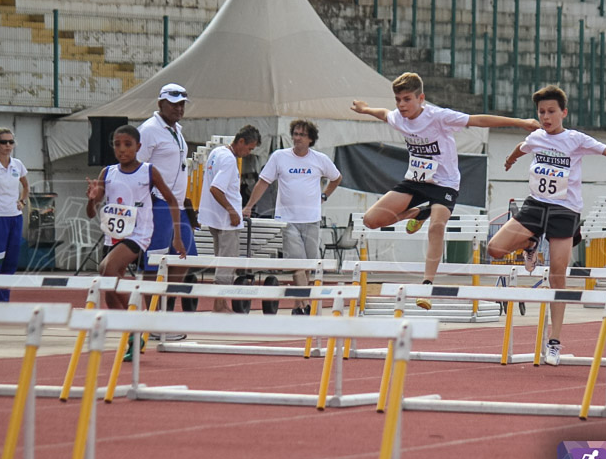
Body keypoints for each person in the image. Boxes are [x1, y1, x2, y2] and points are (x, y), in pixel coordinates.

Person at [486, 85, 606, 366]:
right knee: (494, 248)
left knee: (558, 275)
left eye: (551, 112)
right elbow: (521, 148)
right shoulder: (536, 138)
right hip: (535, 205)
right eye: (541, 112)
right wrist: (509, 159)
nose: (546, 117)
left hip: (565, 210)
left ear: (563, 113)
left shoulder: (575, 139)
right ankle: (531, 243)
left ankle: (554, 340)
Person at [351, 72, 540, 310]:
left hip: (444, 184)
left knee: (437, 226)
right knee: (370, 220)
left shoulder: (438, 117)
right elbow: (384, 114)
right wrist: (365, 109)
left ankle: (427, 285)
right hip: (415, 181)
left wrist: (521, 123)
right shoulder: (399, 117)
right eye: (398, 99)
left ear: (421, 98)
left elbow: (477, 120)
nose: (401, 105)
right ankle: (418, 213)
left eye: (407, 99)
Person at [86, 125, 185, 358]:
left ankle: (137, 319)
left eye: (127, 145)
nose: (122, 150)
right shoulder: (107, 173)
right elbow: (91, 212)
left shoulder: (149, 172)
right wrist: (91, 200)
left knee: (106, 269)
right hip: (114, 235)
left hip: (138, 234)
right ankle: (132, 336)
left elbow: (172, 201)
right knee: (109, 290)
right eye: (117, 145)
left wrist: (177, 236)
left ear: (138, 147)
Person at [243, 119, 342, 314]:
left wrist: (324, 195)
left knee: (308, 265)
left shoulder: (319, 159)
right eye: (295, 134)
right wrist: (249, 206)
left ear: (310, 139)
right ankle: (305, 304)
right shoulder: (279, 157)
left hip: (311, 219)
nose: (297, 138)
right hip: (287, 220)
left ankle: (298, 306)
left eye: (302, 135)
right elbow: (263, 182)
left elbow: (336, 177)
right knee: (297, 263)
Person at [138, 83, 198, 331]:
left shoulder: (176, 130)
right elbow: (137, 167)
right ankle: (153, 320)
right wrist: (147, 198)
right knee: (155, 259)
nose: (179, 108)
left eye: (182, 103)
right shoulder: (149, 131)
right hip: (157, 203)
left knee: (186, 258)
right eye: (173, 103)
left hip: (177, 205)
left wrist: (185, 201)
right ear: (160, 103)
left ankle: (165, 311)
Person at [197, 126, 261, 313]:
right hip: (226, 220)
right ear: (241, 141)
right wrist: (232, 211)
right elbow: (216, 188)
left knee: (221, 260)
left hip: (214, 217)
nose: (248, 153)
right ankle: (219, 305)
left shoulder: (216, 152)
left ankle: (220, 304)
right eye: (249, 148)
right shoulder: (229, 160)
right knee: (227, 262)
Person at [0, 127, 30, 302]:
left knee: (11, 260)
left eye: (11, 142)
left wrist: (22, 201)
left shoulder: (18, 165)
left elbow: (26, 186)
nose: (8, 145)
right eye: (4, 142)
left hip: (15, 218)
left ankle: (3, 300)